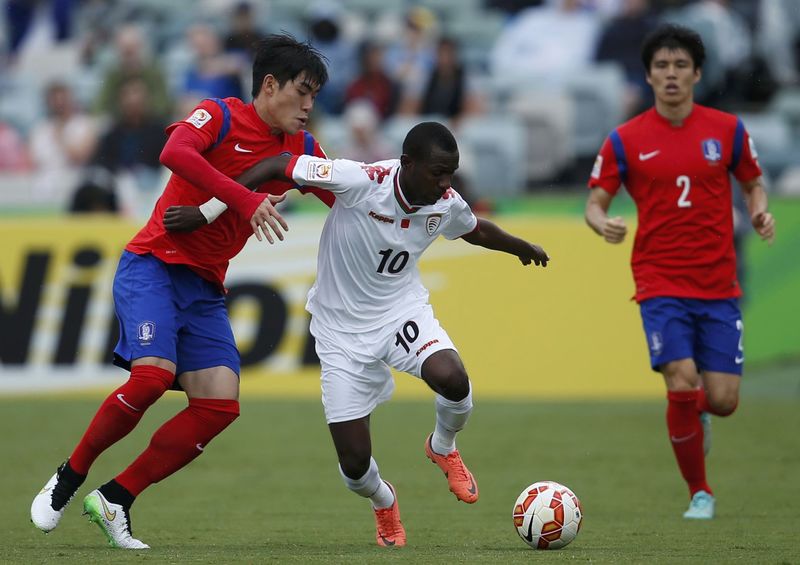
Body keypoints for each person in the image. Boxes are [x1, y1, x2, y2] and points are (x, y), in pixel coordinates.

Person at [164, 121, 550, 547]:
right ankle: (384, 502)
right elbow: (276, 164)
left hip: (400, 313)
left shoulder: (445, 202)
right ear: (407, 164)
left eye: (450, 175)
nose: (445, 184)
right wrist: (210, 210)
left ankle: (443, 447)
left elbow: (475, 229)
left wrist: (521, 247)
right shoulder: (360, 180)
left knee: (454, 378)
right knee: (353, 466)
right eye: (437, 173)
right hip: (340, 332)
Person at [30, 34, 333, 549]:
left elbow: (345, 193)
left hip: (204, 288)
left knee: (220, 404)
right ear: (269, 84)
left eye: (315, 96)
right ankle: (69, 477)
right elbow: (175, 151)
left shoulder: (302, 149)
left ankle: (116, 499)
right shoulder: (218, 114)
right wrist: (243, 200)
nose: (309, 107)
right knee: (152, 377)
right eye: (302, 92)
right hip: (152, 265)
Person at [585, 24, 776, 520]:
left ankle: (697, 416)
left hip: (717, 284)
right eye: (662, 66)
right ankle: (700, 492)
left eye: (680, 66)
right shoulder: (625, 139)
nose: (671, 75)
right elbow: (594, 202)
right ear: (648, 76)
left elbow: (754, 183)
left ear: (697, 73)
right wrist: (603, 223)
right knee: (680, 379)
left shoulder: (727, 130)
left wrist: (759, 211)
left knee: (724, 399)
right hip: (659, 281)